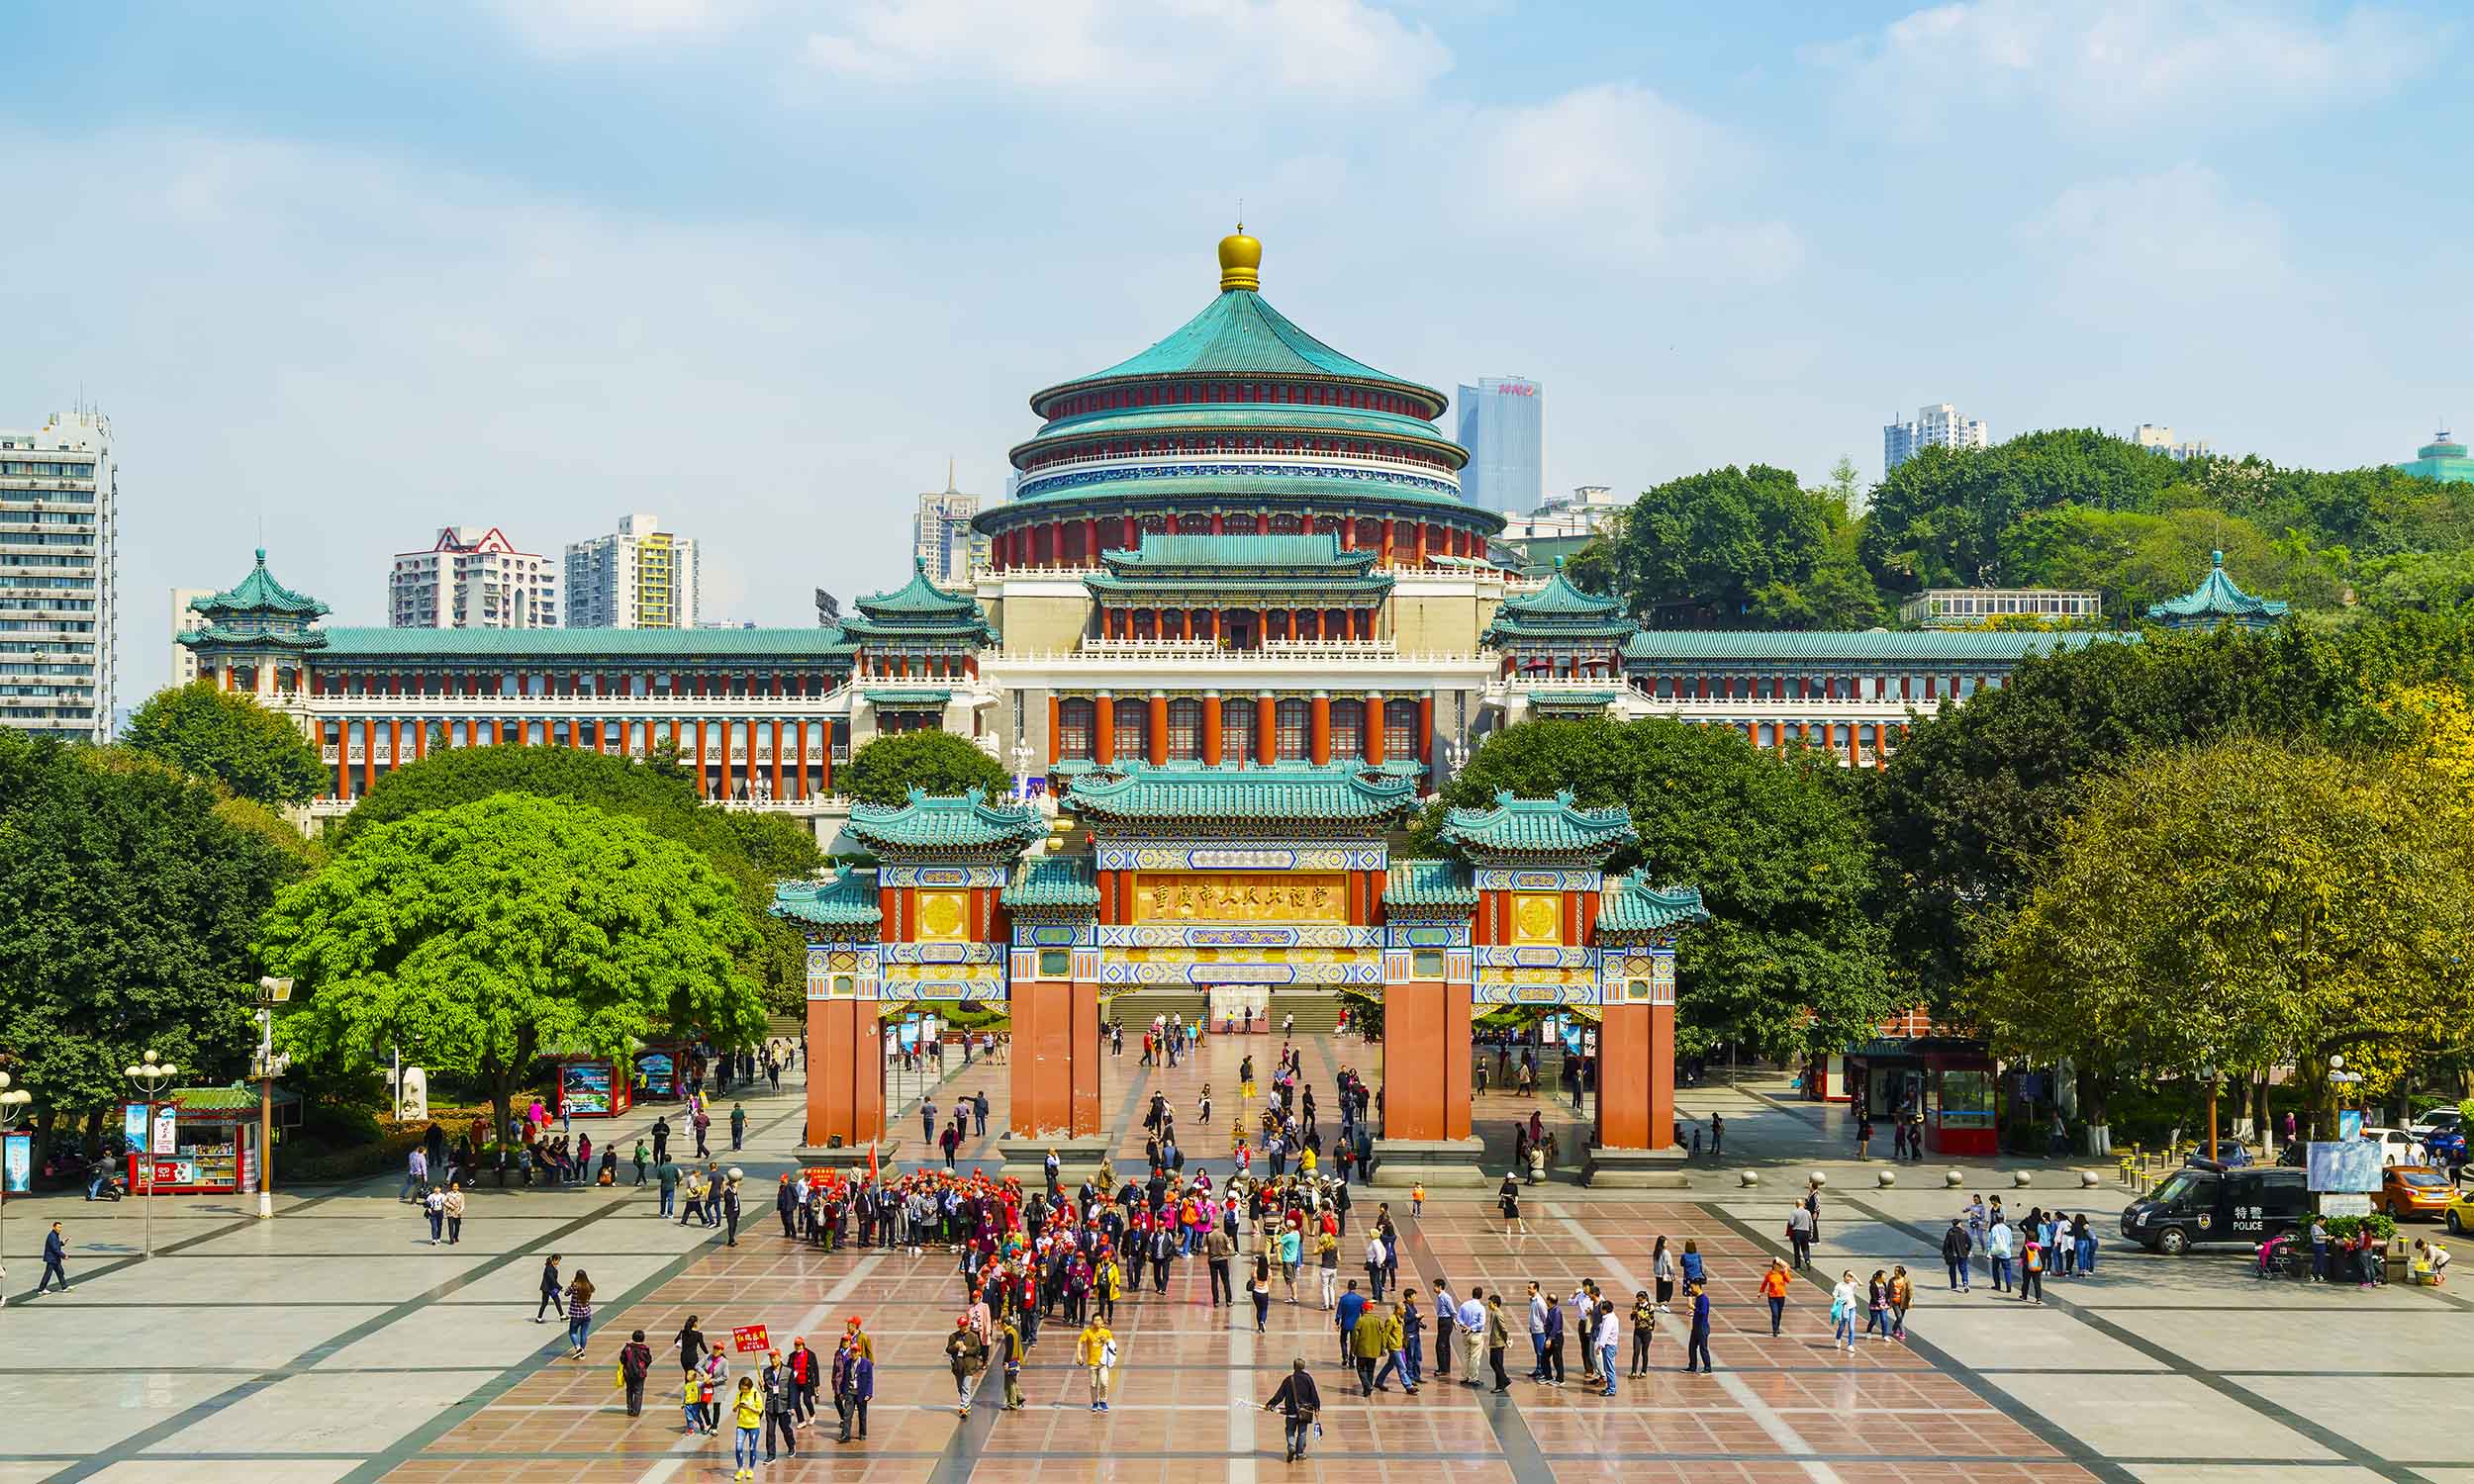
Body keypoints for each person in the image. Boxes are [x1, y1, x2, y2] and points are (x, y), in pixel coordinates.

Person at [1265, 1356, 1323, 1462]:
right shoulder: (1308, 1379)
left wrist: (1270, 1404)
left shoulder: (1288, 1380)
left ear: (1294, 1367)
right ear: (1303, 1367)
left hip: (1291, 1411)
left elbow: (1279, 1395)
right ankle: (1300, 1453)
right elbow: (1314, 1394)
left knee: (1290, 1430)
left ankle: (1291, 1446)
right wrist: (1317, 1407)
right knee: (1302, 1432)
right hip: (1304, 1412)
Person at [945, 1313, 986, 1414]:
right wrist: (955, 1346)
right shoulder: (953, 1336)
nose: (965, 1327)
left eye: (966, 1325)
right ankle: (966, 1404)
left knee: (965, 1387)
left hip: (969, 1366)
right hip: (957, 1366)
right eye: (963, 1326)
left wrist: (966, 1349)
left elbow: (977, 1350)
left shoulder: (973, 1336)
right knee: (960, 1388)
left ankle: (963, 1407)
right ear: (959, 1327)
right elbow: (948, 1350)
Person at [761, 1348, 798, 1461]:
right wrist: (762, 1386)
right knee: (770, 1431)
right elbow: (767, 1389)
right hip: (770, 1405)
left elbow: (792, 1390)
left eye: (774, 1357)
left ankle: (791, 1446)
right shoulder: (766, 1371)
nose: (772, 1360)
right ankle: (771, 1455)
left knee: (785, 1429)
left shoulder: (788, 1371)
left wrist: (792, 1407)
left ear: (779, 1357)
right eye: (771, 1357)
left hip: (783, 1405)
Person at [1077, 1314, 1115, 1412]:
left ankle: (1103, 1401)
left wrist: (1106, 1340)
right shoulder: (1088, 1332)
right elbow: (1080, 1342)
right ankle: (1094, 1403)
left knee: (1104, 1382)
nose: (1097, 1322)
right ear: (1092, 1322)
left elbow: (1112, 1345)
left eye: (1099, 1320)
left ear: (1102, 1322)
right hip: (1092, 1363)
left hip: (1103, 1363)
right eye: (1095, 1320)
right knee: (1093, 1384)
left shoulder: (1107, 1332)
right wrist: (1079, 1355)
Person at [729, 1374, 764, 1481]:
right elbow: (734, 1409)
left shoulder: (755, 1394)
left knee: (752, 1447)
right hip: (741, 1425)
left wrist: (749, 1407)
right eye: (742, 1389)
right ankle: (740, 1469)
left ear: (749, 1388)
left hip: (754, 1425)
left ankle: (751, 1469)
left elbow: (760, 1410)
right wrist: (738, 1406)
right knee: (738, 1447)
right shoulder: (740, 1394)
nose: (744, 1391)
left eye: (746, 1389)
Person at [618, 1329, 655, 1417]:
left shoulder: (627, 1348)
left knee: (629, 1390)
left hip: (628, 1373)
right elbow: (649, 1360)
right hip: (640, 1374)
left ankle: (629, 1408)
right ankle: (636, 1411)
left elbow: (622, 1359)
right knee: (638, 1392)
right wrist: (644, 1367)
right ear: (643, 1338)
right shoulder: (644, 1349)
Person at [1484, 1289, 1512, 1392]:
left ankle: (1504, 1380)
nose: (1488, 1305)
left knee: (1495, 1363)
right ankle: (1500, 1385)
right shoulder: (1493, 1313)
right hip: (1494, 1342)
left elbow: (1504, 1329)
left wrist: (1505, 1340)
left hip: (1498, 1342)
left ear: (1495, 1304)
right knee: (1495, 1363)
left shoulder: (1498, 1314)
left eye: (1490, 1303)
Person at [1683, 1279, 1713, 1373]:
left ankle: (1707, 1367)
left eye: (1692, 1287)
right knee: (1692, 1347)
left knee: (1703, 1348)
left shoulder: (1703, 1299)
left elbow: (1703, 1312)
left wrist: (1694, 1308)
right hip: (1696, 1327)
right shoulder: (1698, 1298)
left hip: (1702, 1327)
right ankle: (1692, 1366)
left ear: (1697, 1286)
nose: (1691, 1290)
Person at [566, 1269, 597, 1357]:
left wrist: (572, 1285)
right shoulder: (589, 1286)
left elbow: (566, 1293)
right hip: (587, 1314)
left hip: (576, 1315)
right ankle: (582, 1352)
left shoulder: (575, 1287)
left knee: (572, 1332)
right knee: (583, 1333)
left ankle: (578, 1348)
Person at [34, 1222, 70, 1295]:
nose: (60, 1229)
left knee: (60, 1272)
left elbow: (56, 1245)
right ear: (54, 1227)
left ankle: (64, 1287)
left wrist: (62, 1243)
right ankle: (41, 1289)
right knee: (48, 1274)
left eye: (61, 1227)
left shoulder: (55, 1235)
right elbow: (55, 1249)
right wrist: (63, 1255)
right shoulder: (52, 1236)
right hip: (52, 1259)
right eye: (58, 1227)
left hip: (55, 1258)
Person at [1828, 1270, 1858, 1354]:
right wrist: (1839, 1300)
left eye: (1850, 1276)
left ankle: (1850, 1345)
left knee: (1851, 1327)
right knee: (1842, 1327)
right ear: (1844, 1276)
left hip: (1852, 1308)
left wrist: (1854, 1276)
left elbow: (1861, 1284)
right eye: (1848, 1276)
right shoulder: (1839, 1285)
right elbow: (1834, 1296)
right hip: (1843, 1308)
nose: (1849, 1278)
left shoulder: (1852, 1284)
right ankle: (1838, 1338)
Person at [1760, 1257, 1791, 1337]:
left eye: (1779, 1265)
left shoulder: (1782, 1273)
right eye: (1777, 1265)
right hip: (1772, 1297)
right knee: (1775, 1313)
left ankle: (1777, 1327)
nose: (1778, 1267)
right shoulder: (1769, 1274)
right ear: (1773, 1265)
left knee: (1779, 1313)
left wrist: (1785, 1272)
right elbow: (1764, 1283)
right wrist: (1760, 1292)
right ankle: (1775, 1330)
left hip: (1781, 1296)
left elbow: (1789, 1280)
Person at [1628, 1288, 1657, 1375]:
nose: (1639, 1302)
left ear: (1645, 1299)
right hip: (1637, 1331)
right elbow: (1632, 1318)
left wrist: (1640, 1315)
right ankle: (1633, 1371)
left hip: (1647, 1332)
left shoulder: (1650, 1307)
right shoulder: (1636, 1305)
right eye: (1638, 1300)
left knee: (1644, 1352)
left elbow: (1650, 1319)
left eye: (1641, 1300)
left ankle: (1643, 1371)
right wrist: (1633, 1313)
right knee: (1636, 1351)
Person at [1942, 1219, 1972, 1291]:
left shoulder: (1950, 1232)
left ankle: (1953, 1286)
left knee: (1952, 1270)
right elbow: (1970, 1243)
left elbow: (1946, 1243)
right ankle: (1965, 1283)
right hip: (1963, 1254)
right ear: (1958, 1224)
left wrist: (1944, 1253)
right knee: (1963, 1269)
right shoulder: (1964, 1232)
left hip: (1953, 1254)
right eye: (1960, 1223)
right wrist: (1967, 1250)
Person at [534, 1253, 565, 1323]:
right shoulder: (549, 1268)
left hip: (551, 1288)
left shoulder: (552, 1266)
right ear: (554, 1260)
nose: (558, 1262)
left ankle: (562, 1315)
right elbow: (552, 1279)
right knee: (545, 1303)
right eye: (558, 1261)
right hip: (547, 1289)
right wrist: (559, 1287)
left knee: (557, 1300)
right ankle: (539, 1318)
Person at [1786, 1201, 1815, 1270]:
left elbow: (1791, 1222)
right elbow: (1811, 1223)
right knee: (1805, 1248)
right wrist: (1811, 1233)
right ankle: (1807, 1260)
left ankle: (1798, 1266)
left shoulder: (1794, 1212)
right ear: (1803, 1204)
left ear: (1796, 1204)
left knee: (1797, 1250)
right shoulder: (1807, 1212)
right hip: (1806, 1232)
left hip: (1797, 1232)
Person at [1498, 1172, 1526, 1237]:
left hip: (1513, 1203)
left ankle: (1521, 1228)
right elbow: (1501, 1194)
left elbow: (1516, 1194)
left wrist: (1516, 1201)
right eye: (1513, 1178)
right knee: (1507, 1216)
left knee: (1517, 1215)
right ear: (1509, 1178)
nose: (1514, 1179)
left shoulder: (1515, 1185)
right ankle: (1508, 1228)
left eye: (1514, 1178)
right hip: (1506, 1202)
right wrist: (1507, 1195)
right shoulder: (1505, 1185)